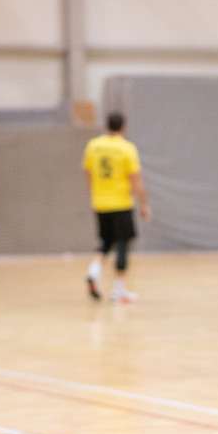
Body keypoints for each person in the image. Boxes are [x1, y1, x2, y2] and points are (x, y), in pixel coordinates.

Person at [83, 112, 150, 303]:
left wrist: (94, 193)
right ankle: (118, 292)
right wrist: (144, 203)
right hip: (121, 203)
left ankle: (93, 272)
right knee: (122, 244)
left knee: (105, 242)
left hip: (100, 202)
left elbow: (88, 173)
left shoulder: (93, 146)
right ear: (123, 127)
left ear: (106, 126)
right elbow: (135, 180)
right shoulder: (127, 149)